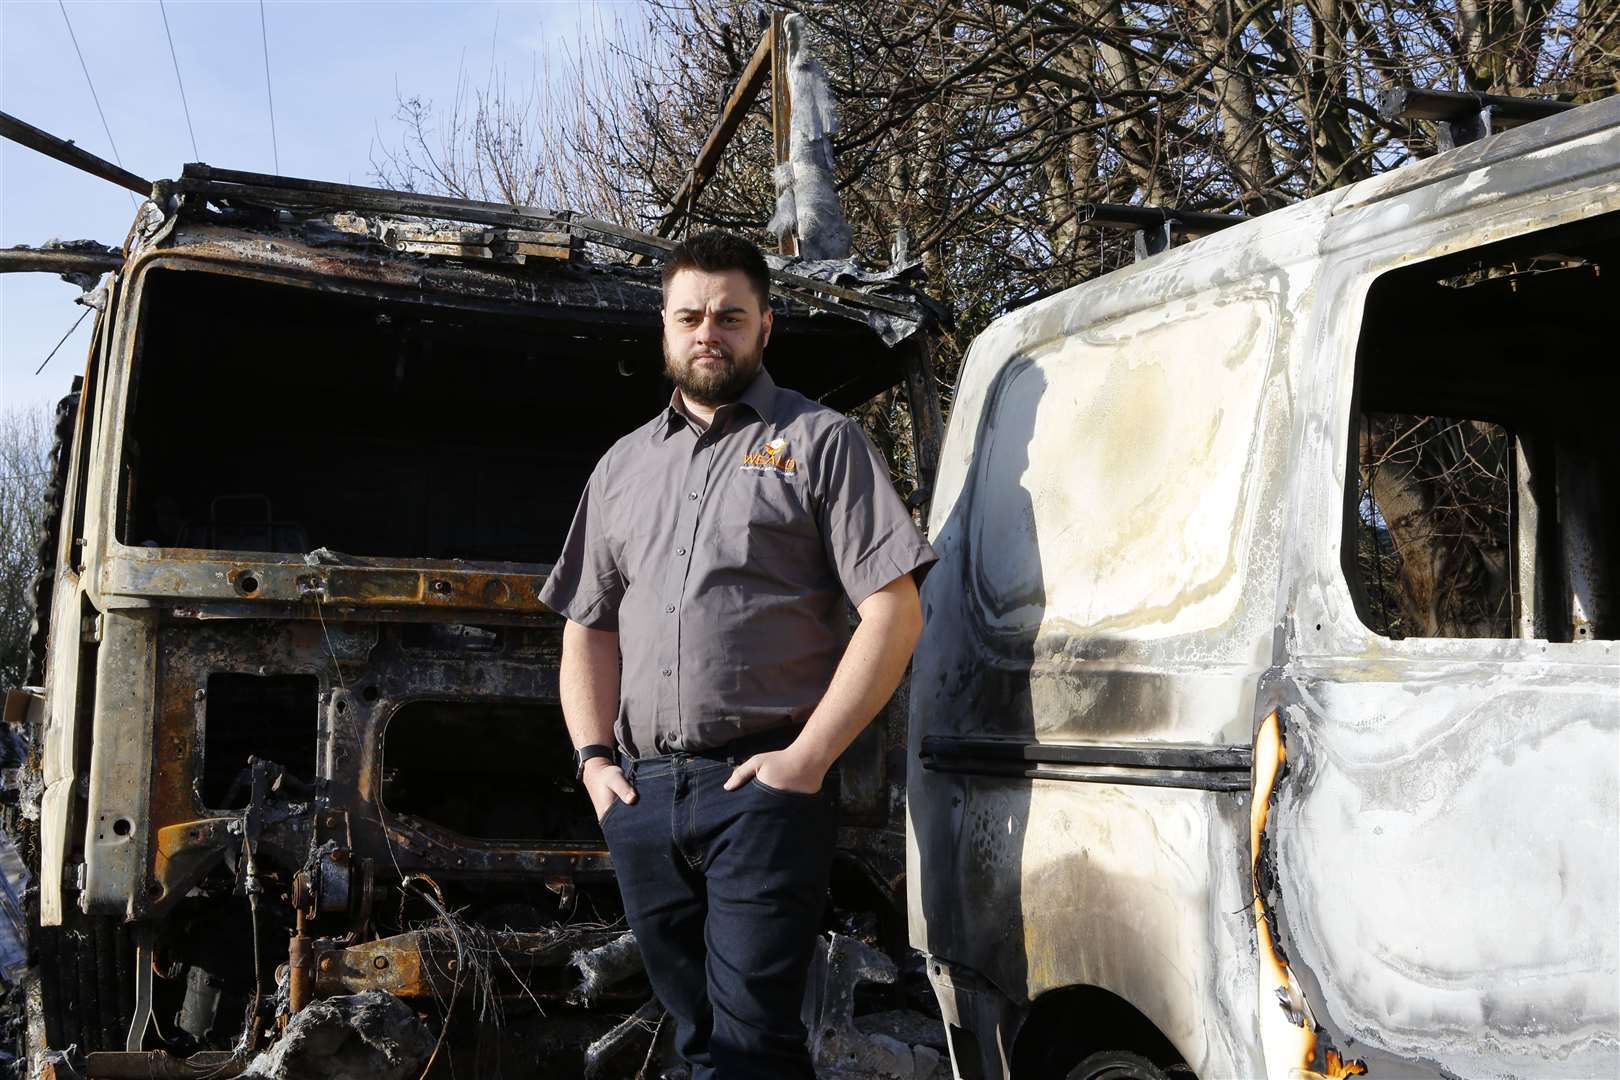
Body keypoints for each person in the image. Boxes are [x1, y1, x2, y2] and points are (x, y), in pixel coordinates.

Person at [539, 229, 935, 1079]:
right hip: (643, 798)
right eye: (690, 316)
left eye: (729, 316)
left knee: (754, 1043)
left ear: (764, 327)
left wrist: (806, 759)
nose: (707, 332)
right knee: (692, 1040)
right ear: (665, 326)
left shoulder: (821, 443)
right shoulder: (621, 468)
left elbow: (894, 613)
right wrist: (593, 762)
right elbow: (587, 625)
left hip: (761, 793)